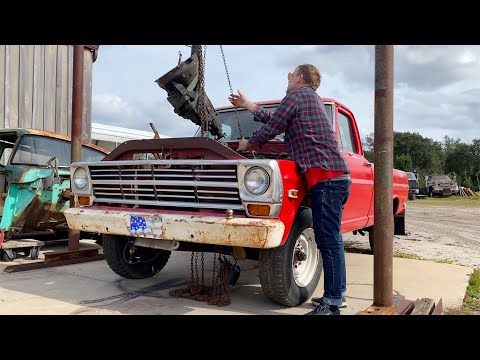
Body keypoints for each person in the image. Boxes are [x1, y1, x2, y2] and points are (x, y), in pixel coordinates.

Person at [228, 64, 351, 315]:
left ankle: (332, 304)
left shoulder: (298, 95)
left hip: (327, 179)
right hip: (334, 177)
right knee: (332, 240)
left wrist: (248, 143)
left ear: (300, 78)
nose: (288, 80)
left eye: (289, 75)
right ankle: (337, 295)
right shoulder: (307, 100)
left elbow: (273, 128)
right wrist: (248, 104)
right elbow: (277, 119)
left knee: (328, 240)